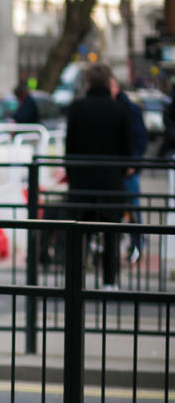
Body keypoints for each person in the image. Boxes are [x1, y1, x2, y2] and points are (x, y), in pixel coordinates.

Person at [65, 63, 132, 289]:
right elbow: (126, 149)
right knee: (111, 232)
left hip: (82, 182)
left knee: (79, 233)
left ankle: (76, 280)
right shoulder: (120, 110)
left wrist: (72, 175)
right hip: (111, 182)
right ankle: (109, 281)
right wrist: (120, 171)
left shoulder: (77, 108)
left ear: (89, 82)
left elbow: (70, 147)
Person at [109, 76, 148, 264]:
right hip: (118, 167)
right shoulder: (117, 108)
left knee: (132, 207)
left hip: (126, 168)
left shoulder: (130, 110)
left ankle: (137, 244)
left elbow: (140, 139)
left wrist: (133, 163)